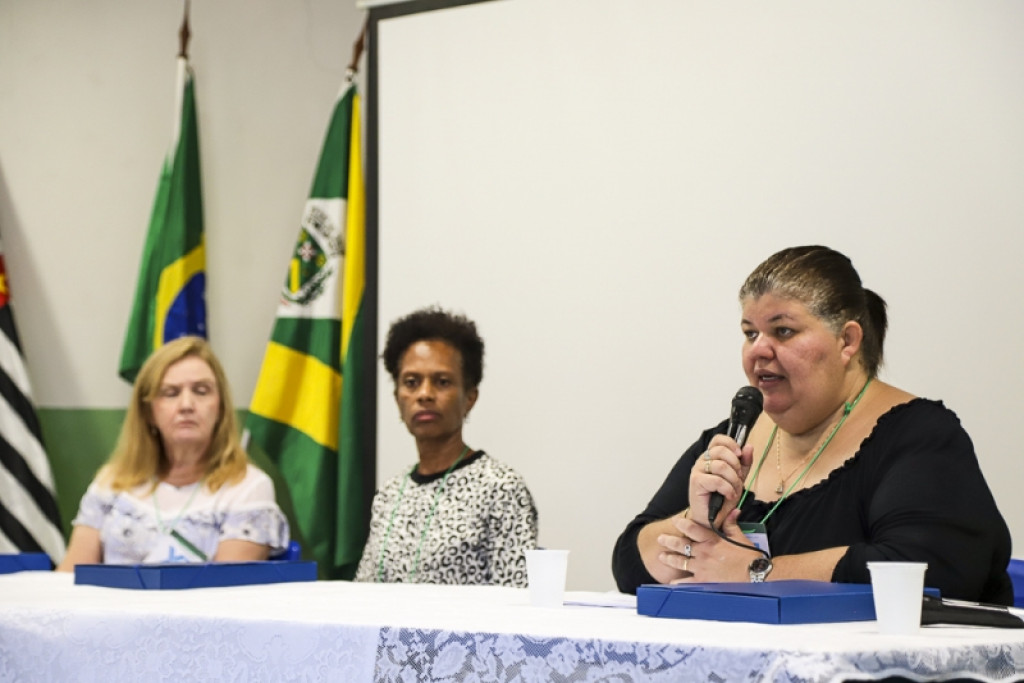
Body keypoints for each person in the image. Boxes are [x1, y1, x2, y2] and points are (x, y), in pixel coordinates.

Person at [612, 246, 1013, 604]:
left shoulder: (920, 436)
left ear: (847, 341)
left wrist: (755, 573)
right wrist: (698, 523)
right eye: (750, 333)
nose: (759, 350)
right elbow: (630, 562)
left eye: (783, 331)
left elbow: (922, 570)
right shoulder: (736, 435)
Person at [57, 336, 289, 570]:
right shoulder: (112, 482)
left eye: (201, 391)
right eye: (170, 393)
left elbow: (226, 592)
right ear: (148, 411)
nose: (187, 405)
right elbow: (70, 576)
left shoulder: (247, 487)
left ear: (220, 408)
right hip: (110, 607)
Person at [355, 306, 538, 586]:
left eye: (442, 382)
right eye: (411, 382)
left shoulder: (500, 488)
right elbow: (364, 591)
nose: (424, 394)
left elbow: (516, 598)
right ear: (397, 397)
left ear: (470, 398)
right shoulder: (391, 494)